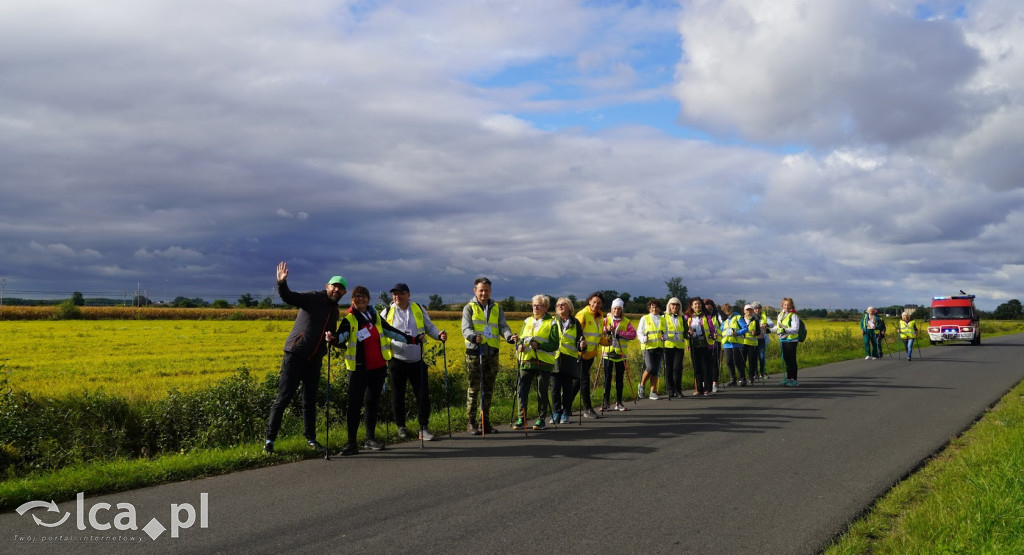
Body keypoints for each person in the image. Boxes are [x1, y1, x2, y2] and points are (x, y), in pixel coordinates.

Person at [264, 262, 346, 455]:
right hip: (296, 354)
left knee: (309, 401)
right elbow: (289, 297)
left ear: (343, 293)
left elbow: (333, 336)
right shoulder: (312, 298)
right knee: (283, 398)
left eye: (340, 288)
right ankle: (269, 441)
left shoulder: (335, 311)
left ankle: (310, 439)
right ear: (327, 286)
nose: (336, 290)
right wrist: (281, 283)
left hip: (315, 359)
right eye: (334, 286)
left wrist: (332, 339)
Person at [327, 286, 417, 456]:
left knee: (372, 403)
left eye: (363, 296)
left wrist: (411, 339)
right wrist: (333, 339)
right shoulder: (350, 319)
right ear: (352, 300)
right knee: (354, 405)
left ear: (368, 299)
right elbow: (342, 337)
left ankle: (370, 439)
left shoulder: (375, 316)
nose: (360, 299)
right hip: (359, 369)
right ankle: (351, 443)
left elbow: (390, 331)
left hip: (378, 368)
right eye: (357, 297)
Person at [381, 283, 447, 442]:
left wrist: (439, 335)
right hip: (396, 360)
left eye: (400, 293)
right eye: (394, 294)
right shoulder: (387, 311)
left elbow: (429, 326)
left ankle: (423, 428)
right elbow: (379, 330)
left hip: (417, 360)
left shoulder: (418, 308)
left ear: (408, 295)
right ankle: (401, 426)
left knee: (423, 396)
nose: (397, 296)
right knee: (398, 396)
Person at [461, 277, 517, 435]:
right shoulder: (469, 308)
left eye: (486, 290)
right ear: (475, 291)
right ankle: (471, 422)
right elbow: (465, 328)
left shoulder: (496, 308)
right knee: (474, 389)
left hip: (492, 353)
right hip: (475, 352)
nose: (484, 293)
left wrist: (508, 337)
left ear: (490, 291)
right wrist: (473, 337)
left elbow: (502, 326)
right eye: (481, 290)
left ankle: (485, 421)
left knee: (488, 389)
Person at [515, 295, 559, 430]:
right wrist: (519, 346)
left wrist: (538, 346)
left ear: (546, 307)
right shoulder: (527, 321)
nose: (535, 308)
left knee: (541, 391)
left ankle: (541, 419)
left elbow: (554, 345)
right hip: (526, 360)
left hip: (543, 362)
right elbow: (522, 339)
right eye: (534, 305)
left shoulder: (552, 323)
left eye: (539, 305)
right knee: (521, 389)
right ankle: (521, 418)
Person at [551, 297, 585, 423]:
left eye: (563, 304)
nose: (559, 306)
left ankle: (566, 412)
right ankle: (556, 412)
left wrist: (582, 344)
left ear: (569, 307)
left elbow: (580, 339)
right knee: (554, 388)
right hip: (555, 359)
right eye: (558, 304)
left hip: (570, 359)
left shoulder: (575, 323)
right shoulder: (553, 321)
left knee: (567, 389)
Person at [601, 298, 636, 411]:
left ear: (621, 310)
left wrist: (619, 332)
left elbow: (633, 334)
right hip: (607, 353)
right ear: (611, 309)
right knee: (607, 379)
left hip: (620, 354)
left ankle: (619, 402)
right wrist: (606, 329)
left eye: (619, 309)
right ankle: (606, 403)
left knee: (619, 380)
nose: (616, 311)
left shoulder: (626, 321)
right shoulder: (606, 320)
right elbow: (599, 330)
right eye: (615, 308)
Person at [574, 292, 606, 418]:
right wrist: (580, 343)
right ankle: (588, 409)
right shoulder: (583, 314)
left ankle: (563, 407)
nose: (596, 304)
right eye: (594, 302)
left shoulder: (599, 317)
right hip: (580, 354)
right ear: (589, 302)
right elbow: (575, 332)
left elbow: (598, 337)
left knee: (578, 381)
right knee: (584, 380)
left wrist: (607, 341)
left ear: (602, 305)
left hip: (591, 354)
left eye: (599, 303)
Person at [685, 297, 718, 396]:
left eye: (699, 304)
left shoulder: (706, 316)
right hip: (694, 345)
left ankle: (706, 388)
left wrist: (713, 335)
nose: (697, 306)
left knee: (706, 367)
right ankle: (698, 389)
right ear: (691, 306)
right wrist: (688, 333)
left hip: (706, 345)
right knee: (697, 367)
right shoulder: (688, 317)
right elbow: (685, 332)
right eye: (695, 304)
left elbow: (711, 329)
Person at [637, 299, 666, 399]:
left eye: (656, 307)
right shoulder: (644, 318)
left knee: (655, 370)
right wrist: (643, 339)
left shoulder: (662, 319)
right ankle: (641, 385)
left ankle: (652, 392)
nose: (654, 309)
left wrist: (664, 337)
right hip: (648, 347)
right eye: (652, 307)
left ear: (659, 308)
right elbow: (639, 332)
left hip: (659, 346)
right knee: (650, 368)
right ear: (649, 308)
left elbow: (665, 332)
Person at [663, 297, 687, 398]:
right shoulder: (663, 316)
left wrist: (690, 333)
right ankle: (670, 390)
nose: (675, 306)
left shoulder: (682, 318)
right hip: (667, 346)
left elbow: (685, 332)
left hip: (679, 346)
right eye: (673, 304)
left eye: (677, 305)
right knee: (668, 369)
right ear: (669, 305)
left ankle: (678, 390)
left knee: (677, 368)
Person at [720, 303, 749, 386]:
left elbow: (745, 329)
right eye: (725, 311)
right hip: (726, 343)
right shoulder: (724, 319)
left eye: (728, 311)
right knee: (729, 361)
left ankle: (743, 379)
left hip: (737, 343)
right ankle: (733, 379)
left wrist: (738, 333)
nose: (727, 313)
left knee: (738, 362)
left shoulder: (738, 317)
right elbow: (721, 329)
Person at [776, 297, 801, 386]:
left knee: (791, 360)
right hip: (783, 340)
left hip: (792, 340)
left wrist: (785, 330)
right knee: (786, 360)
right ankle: (788, 378)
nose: (786, 306)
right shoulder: (780, 315)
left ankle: (795, 380)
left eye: (788, 305)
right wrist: (769, 329)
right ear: (782, 305)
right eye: (785, 305)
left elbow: (795, 329)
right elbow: (778, 327)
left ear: (791, 306)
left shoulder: (793, 315)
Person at [704, 298, 724, 393]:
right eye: (707, 309)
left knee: (715, 363)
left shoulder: (717, 316)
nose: (709, 311)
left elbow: (724, 320)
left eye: (711, 309)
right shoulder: (703, 317)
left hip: (716, 342)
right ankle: (706, 383)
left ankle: (714, 383)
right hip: (705, 343)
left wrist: (718, 309)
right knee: (706, 363)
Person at [751, 301, 773, 380]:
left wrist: (766, 324)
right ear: (753, 309)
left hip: (762, 339)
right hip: (753, 340)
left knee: (762, 356)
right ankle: (756, 373)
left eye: (758, 308)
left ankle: (763, 372)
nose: (757, 310)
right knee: (754, 357)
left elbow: (772, 323)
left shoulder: (764, 317)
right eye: (755, 308)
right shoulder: (750, 317)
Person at [740, 304, 762, 383]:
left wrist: (755, 333)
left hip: (752, 344)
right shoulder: (741, 319)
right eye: (747, 310)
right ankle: (742, 377)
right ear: (744, 311)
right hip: (742, 343)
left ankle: (751, 376)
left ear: (752, 311)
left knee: (752, 361)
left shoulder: (755, 320)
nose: (748, 311)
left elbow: (759, 331)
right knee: (742, 361)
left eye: (750, 310)